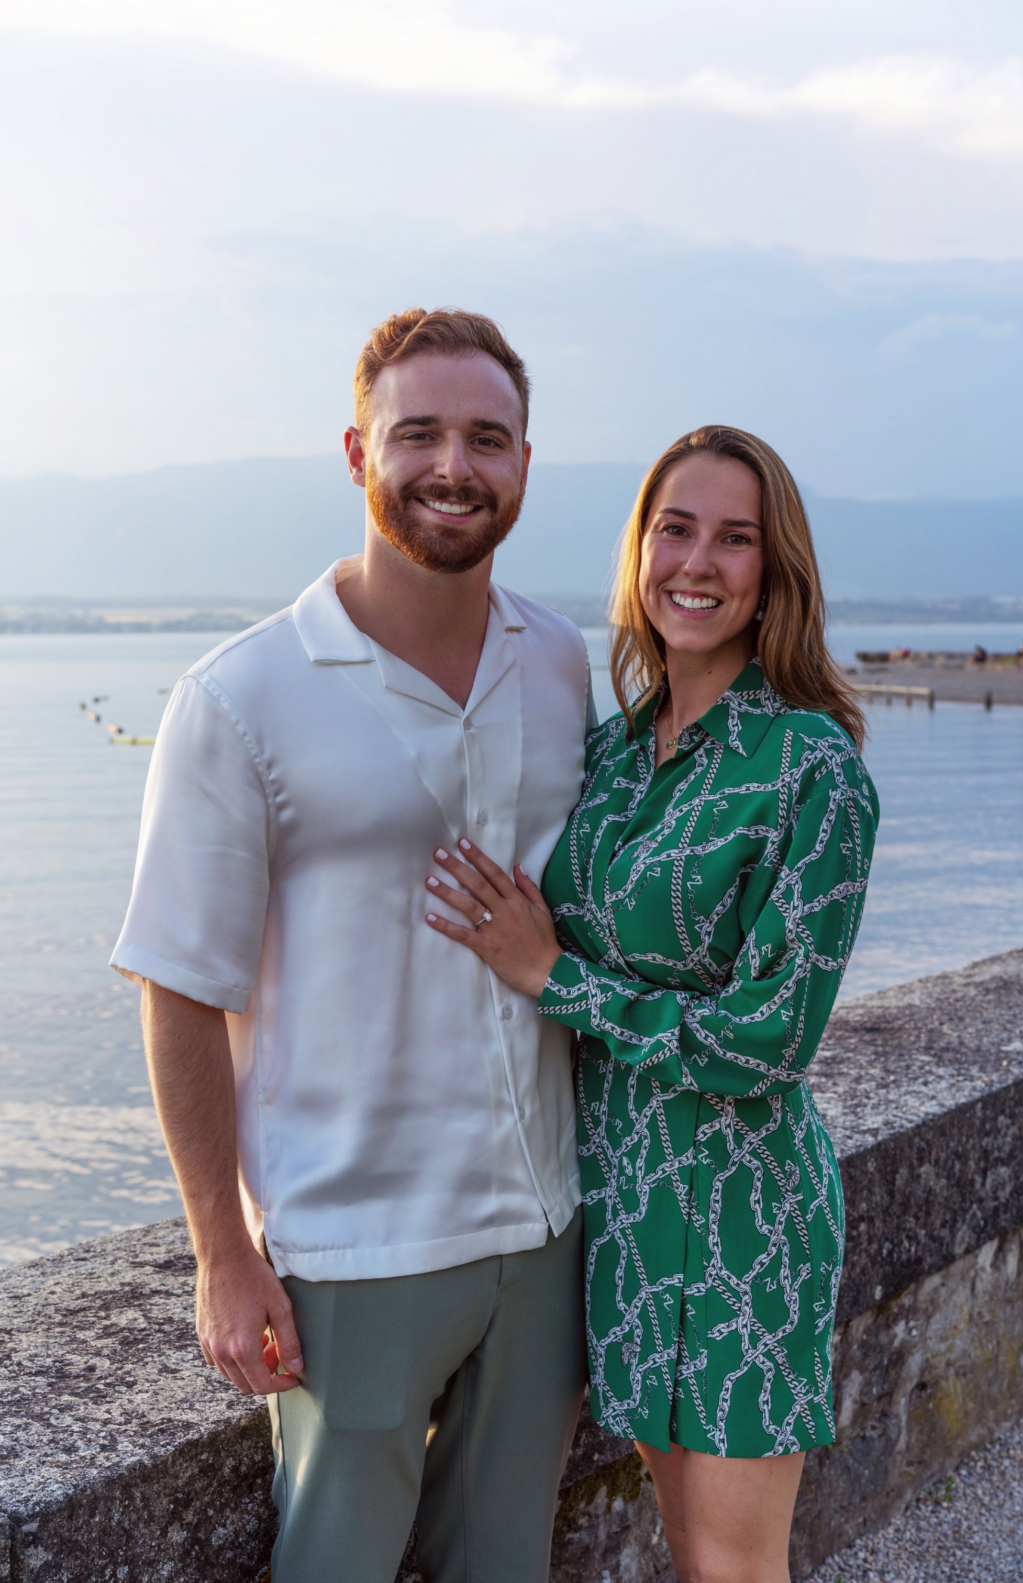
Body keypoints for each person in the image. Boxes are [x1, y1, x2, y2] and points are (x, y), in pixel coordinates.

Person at [110, 309, 595, 1583]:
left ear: (526, 464)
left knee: (506, 1565)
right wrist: (222, 1251)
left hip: (548, 1230)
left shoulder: (560, 661)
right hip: (356, 1249)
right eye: (418, 433)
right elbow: (178, 987)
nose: (454, 466)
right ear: (355, 452)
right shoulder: (239, 698)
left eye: (487, 438)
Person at [425, 426, 879, 1583]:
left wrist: (554, 976)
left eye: (737, 538)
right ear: (638, 551)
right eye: (675, 528)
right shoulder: (616, 754)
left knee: (735, 1562)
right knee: (687, 1550)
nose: (700, 561)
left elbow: (769, 1040)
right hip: (624, 1212)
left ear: (775, 573)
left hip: (742, 1215)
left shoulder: (810, 769)